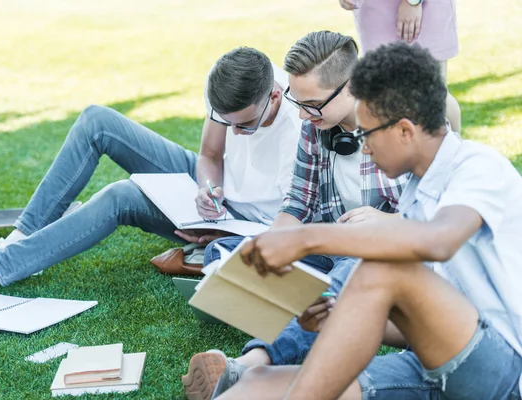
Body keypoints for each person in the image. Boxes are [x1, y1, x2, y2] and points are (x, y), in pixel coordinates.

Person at [217, 42, 522, 400]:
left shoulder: (478, 167)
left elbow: (438, 242)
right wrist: (340, 315)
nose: (362, 147)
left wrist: (305, 239)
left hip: (505, 369)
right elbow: (420, 325)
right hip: (432, 365)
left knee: (383, 268)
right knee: (258, 385)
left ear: (405, 131)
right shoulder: (415, 194)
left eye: (366, 134)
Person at [0, 47, 303, 300]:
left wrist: (218, 229)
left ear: (273, 96)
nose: (235, 131)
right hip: (214, 196)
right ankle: (18, 240)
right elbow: (209, 154)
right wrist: (209, 187)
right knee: (97, 120)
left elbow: (289, 228)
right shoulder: (234, 82)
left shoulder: (298, 130)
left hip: (242, 224)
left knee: (120, 195)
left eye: (245, 125)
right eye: (226, 121)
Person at [182, 31, 409, 400]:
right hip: (329, 244)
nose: (302, 114)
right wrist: (271, 246)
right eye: (297, 101)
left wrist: (389, 222)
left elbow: (444, 212)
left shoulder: (402, 123)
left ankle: (252, 364)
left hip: (384, 255)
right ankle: (292, 316)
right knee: (226, 255)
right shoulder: (313, 125)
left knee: (347, 276)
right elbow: (298, 204)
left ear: (351, 86)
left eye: (313, 105)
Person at [338, 0, 461, 134]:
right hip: (373, 10)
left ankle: (451, 149)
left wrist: (413, 2)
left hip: (422, 10)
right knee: (382, 94)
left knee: (432, 93)